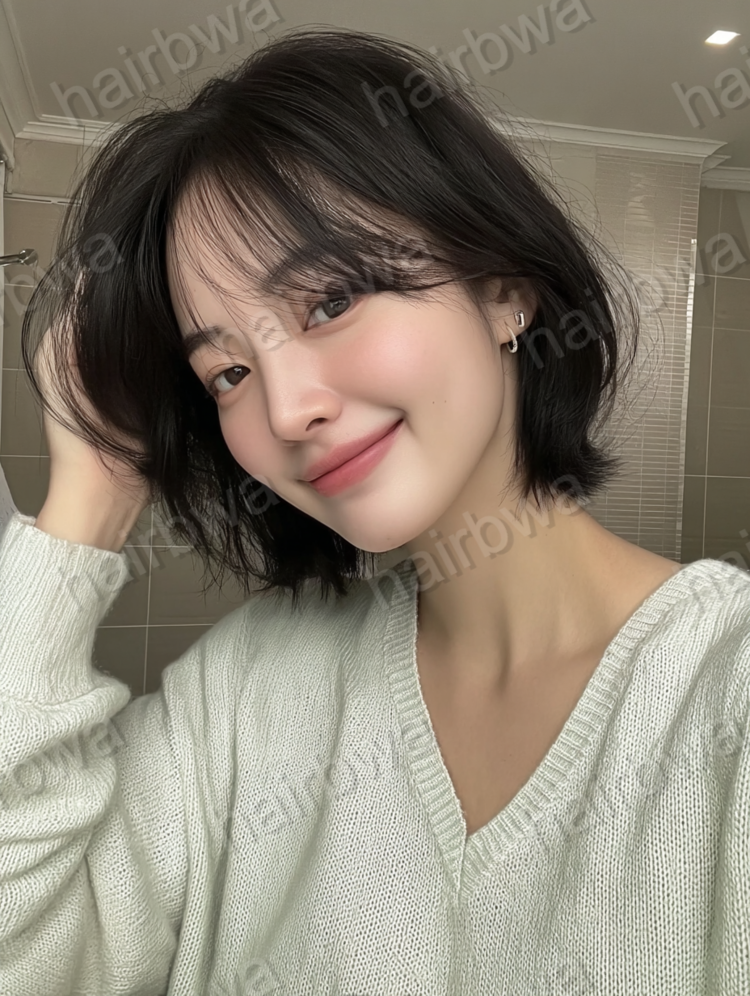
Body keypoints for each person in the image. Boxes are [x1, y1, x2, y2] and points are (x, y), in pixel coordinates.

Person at [1, 26, 748, 996]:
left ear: (505, 294)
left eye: (331, 302)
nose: (286, 410)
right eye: (228, 372)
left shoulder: (722, 695)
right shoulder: (243, 693)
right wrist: (91, 496)